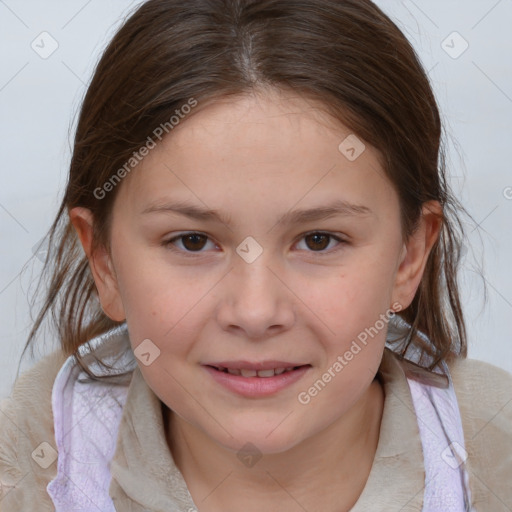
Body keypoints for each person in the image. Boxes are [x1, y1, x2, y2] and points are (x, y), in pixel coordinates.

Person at [1, 0, 511, 511]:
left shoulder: (495, 450)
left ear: (409, 257)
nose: (255, 311)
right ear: (105, 263)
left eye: (318, 240)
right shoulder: (26, 467)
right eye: (192, 241)